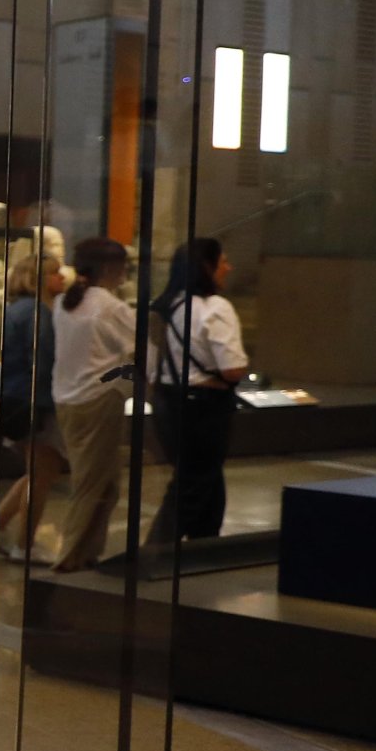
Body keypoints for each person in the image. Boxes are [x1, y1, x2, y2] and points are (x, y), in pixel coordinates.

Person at [146, 235, 250, 556]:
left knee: (205, 480)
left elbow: (150, 363)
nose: (228, 268)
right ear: (207, 267)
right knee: (193, 484)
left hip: (168, 401)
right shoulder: (215, 308)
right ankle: (155, 553)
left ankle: (205, 549)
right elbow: (232, 369)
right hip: (204, 407)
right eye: (223, 262)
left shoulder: (166, 307)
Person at [48, 239, 137, 573]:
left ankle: (88, 551)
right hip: (98, 399)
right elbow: (141, 349)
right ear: (111, 268)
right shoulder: (110, 307)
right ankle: (69, 555)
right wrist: (126, 378)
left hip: (67, 397)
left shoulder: (63, 303)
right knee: (90, 482)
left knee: (106, 482)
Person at [0, 258, 64, 559]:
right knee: (42, 474)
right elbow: (43, 361)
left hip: (16, 395)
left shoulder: (16, 309)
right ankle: (23, 544)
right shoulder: (37, 313)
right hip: (34, 399)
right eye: (55, 273)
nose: (61, 278)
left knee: (39, 471)